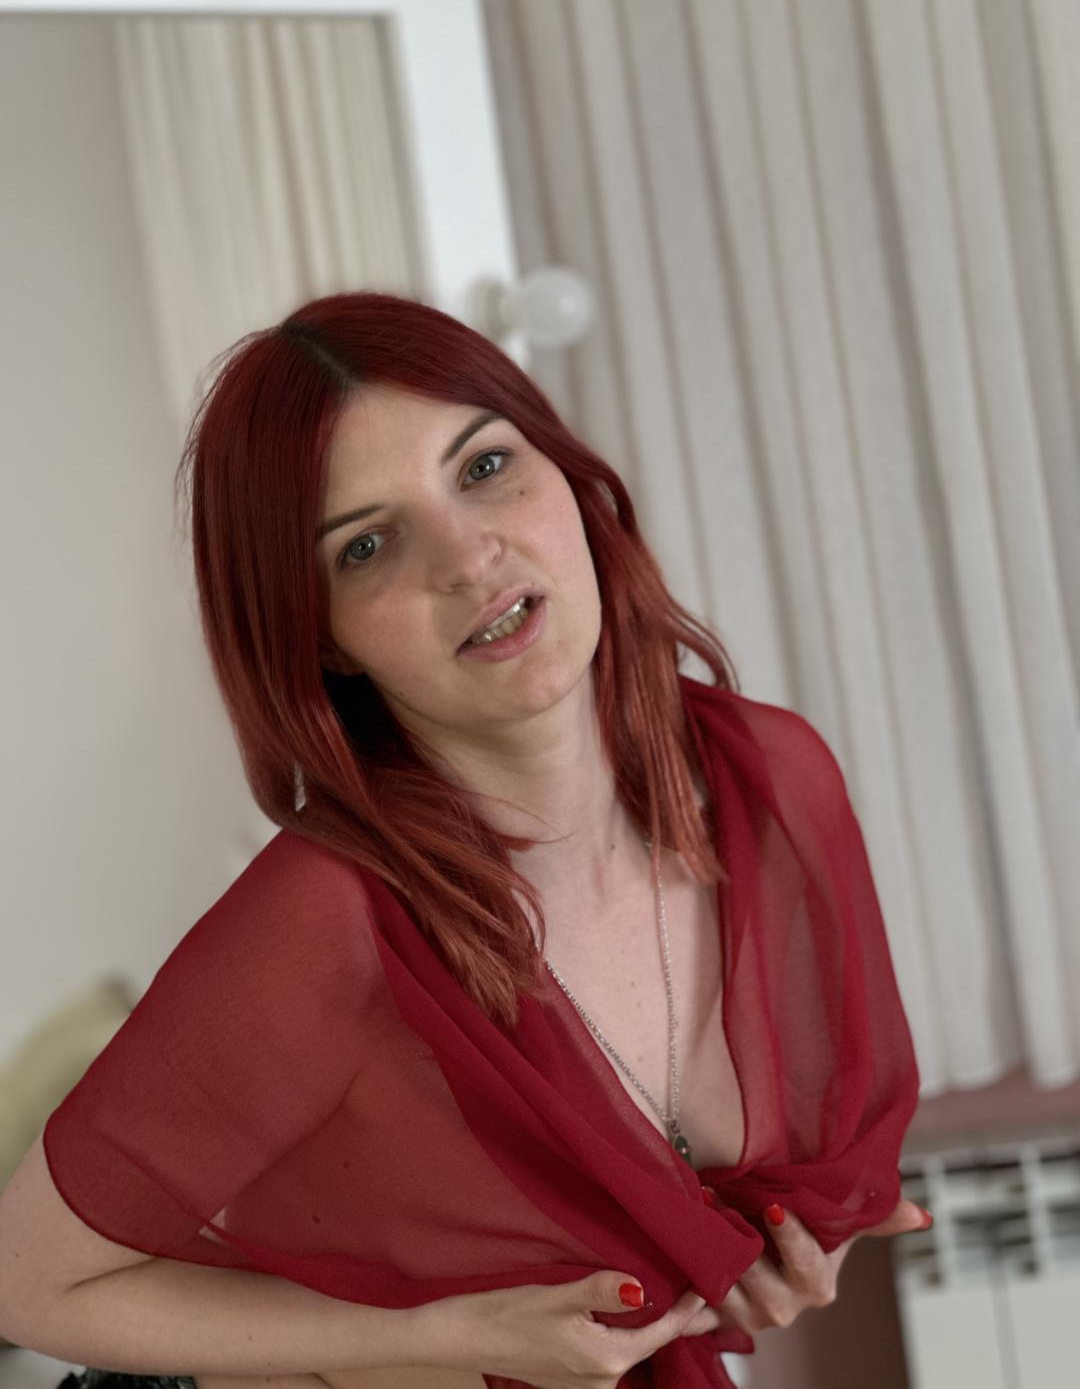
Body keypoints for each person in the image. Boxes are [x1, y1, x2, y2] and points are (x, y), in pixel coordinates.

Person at [0, 291, 926, 1389]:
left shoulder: (771, 784)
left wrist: (773, 1254)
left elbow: (759, 1204)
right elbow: (29, 1282)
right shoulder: (324, 926)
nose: (468, 555)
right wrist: (452, 1333)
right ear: (324, 639)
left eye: (484, 467)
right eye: (367, 545)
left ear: (567, 477)